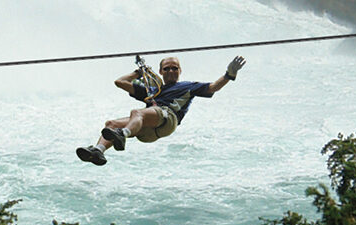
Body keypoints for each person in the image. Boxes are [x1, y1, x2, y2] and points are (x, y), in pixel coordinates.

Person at [76, 55, 245, 166]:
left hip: (167, 120)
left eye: (174, 68)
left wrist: (229, 74)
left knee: (137, 112)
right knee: (111, 124)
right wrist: (139, 73)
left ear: (180, 71)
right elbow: (119, 82)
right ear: (160, 72)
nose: (171, 71)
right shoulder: (153, 90)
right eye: (167, 68)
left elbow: (214, 87)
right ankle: (98, 151)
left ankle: (123, 134)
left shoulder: (188, 86)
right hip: (147, 130)